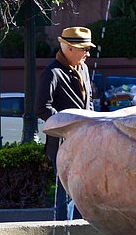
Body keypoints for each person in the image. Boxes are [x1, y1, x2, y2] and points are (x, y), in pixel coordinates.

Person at [35, 25, 94, 220]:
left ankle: (79, 231)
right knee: (64, 194)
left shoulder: (83, 68)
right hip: (63, 144)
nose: (87, 53)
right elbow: (42, 107)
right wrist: (70, 125)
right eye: (84, 49)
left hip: (84, 142)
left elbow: (89, 102)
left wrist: (92, 123)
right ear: (69, 48)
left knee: (82, 193)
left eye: (88, 49)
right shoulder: (52, 72)